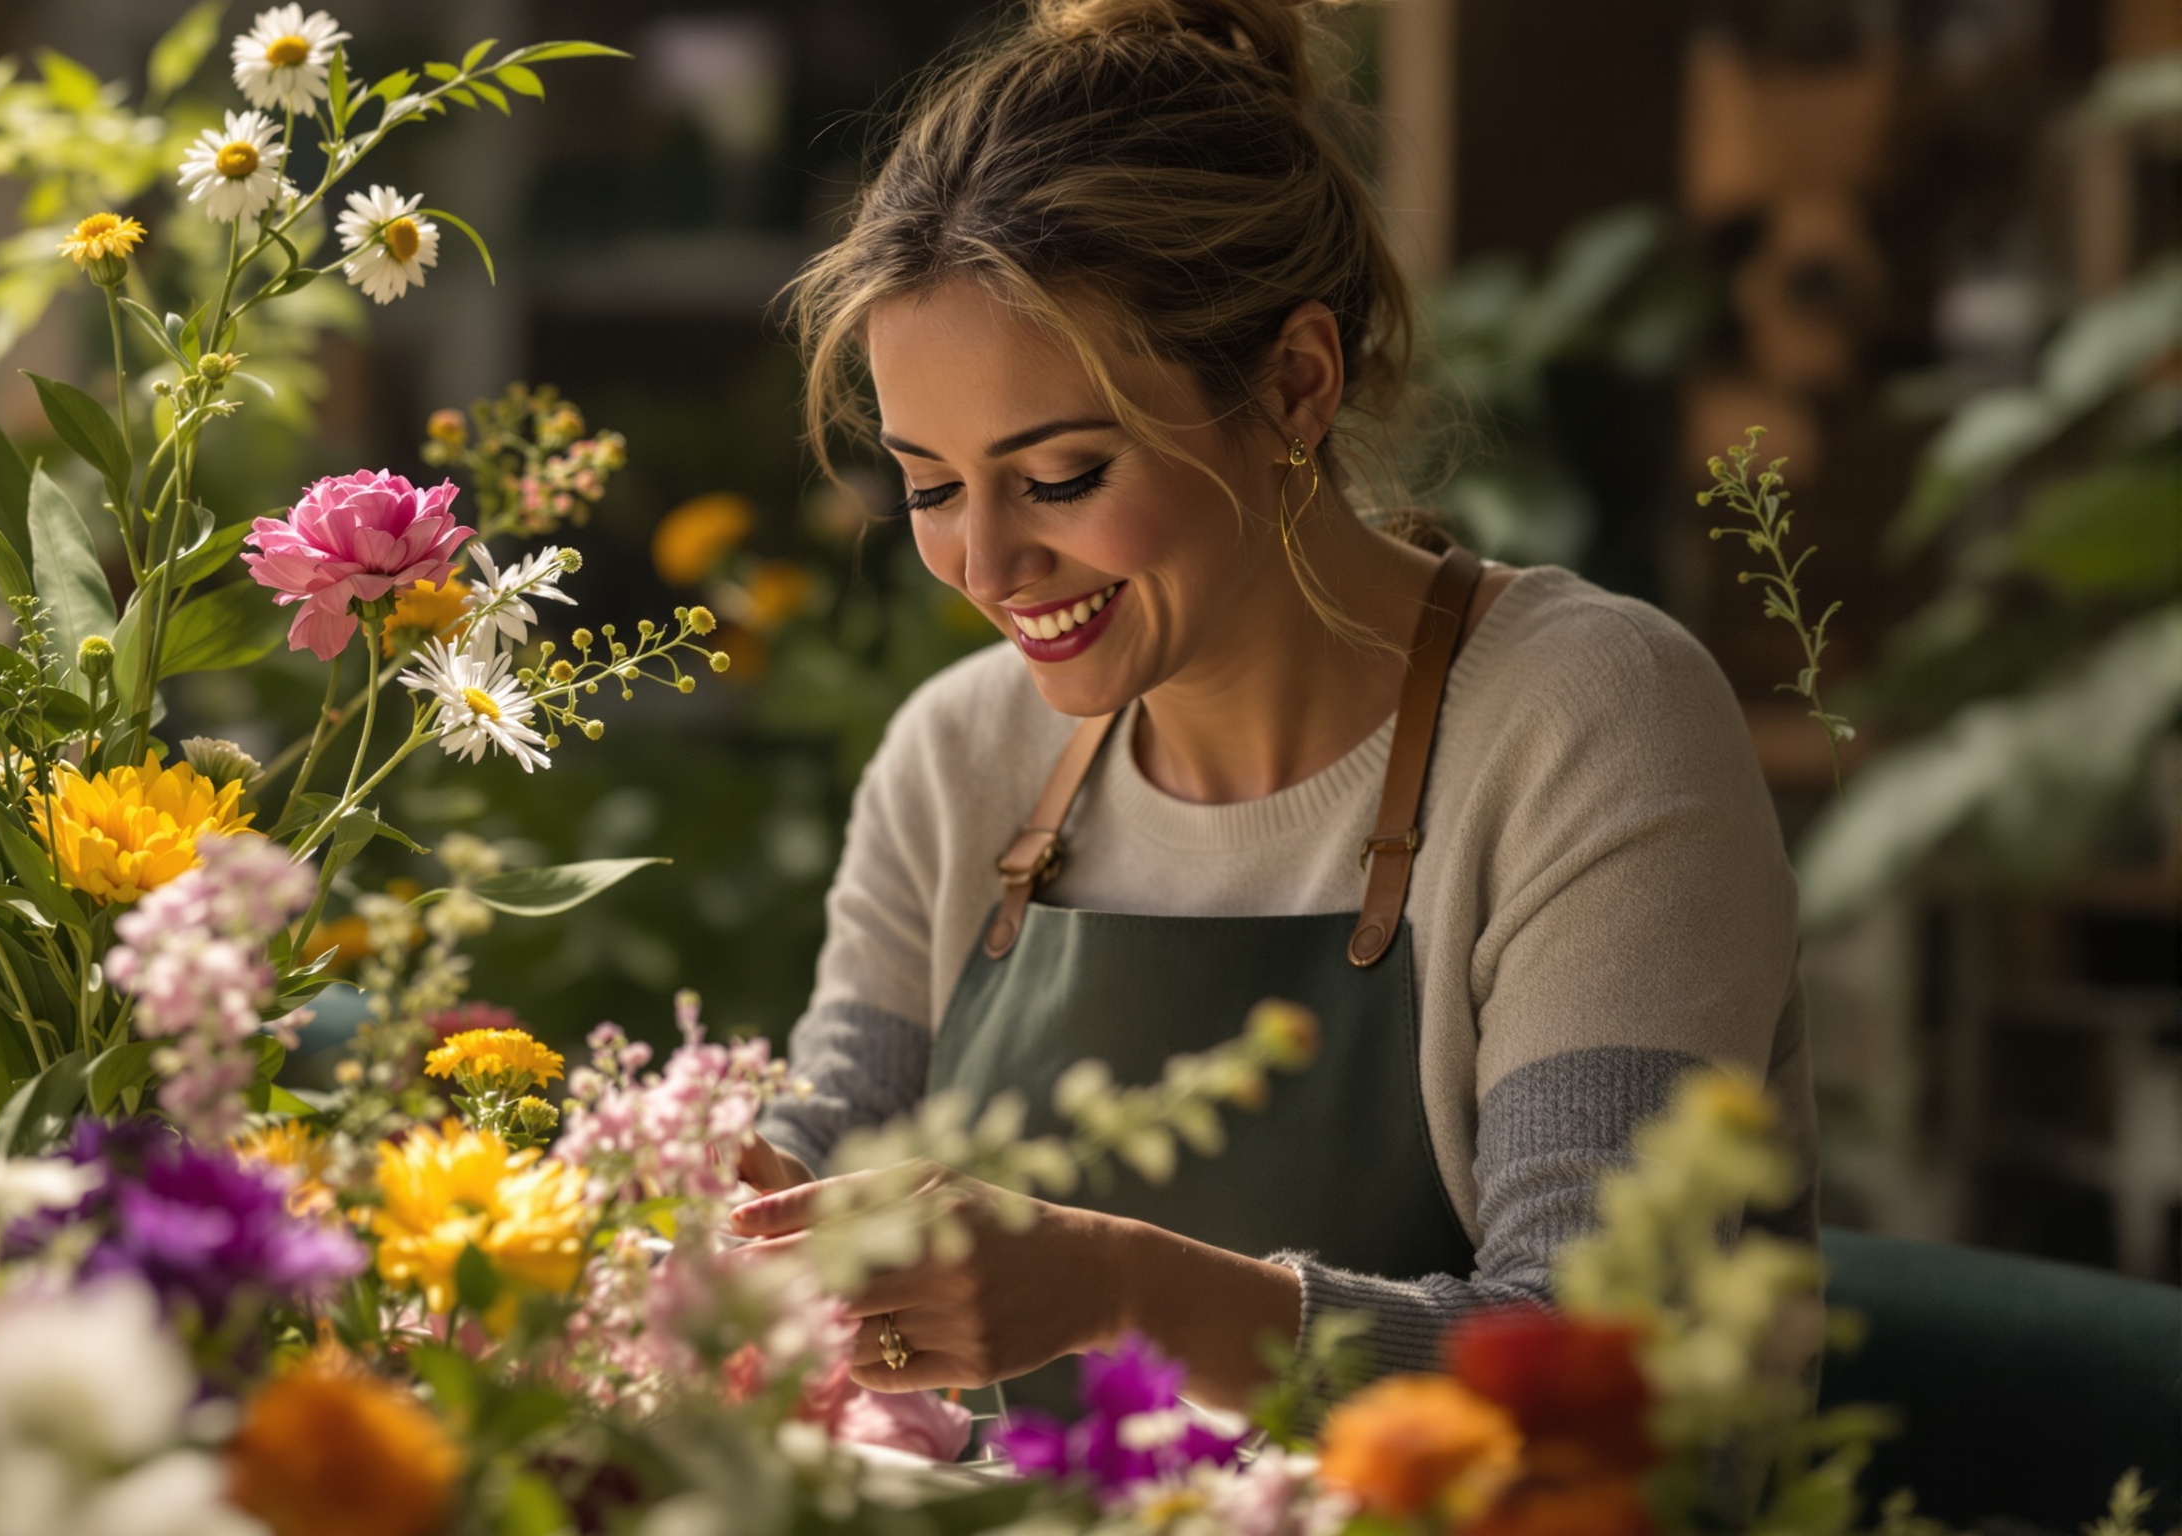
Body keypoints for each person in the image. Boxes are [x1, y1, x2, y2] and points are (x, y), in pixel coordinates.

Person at [728, 0, 1816, 1412]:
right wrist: (708, 1211)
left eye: (1058, 476)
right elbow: (824, 1158)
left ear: (1296, 383)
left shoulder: (1584, 723)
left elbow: (1603, 1377)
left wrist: (1126, 1293)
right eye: (930, 487)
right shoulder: (964, 754)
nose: (984, 565)